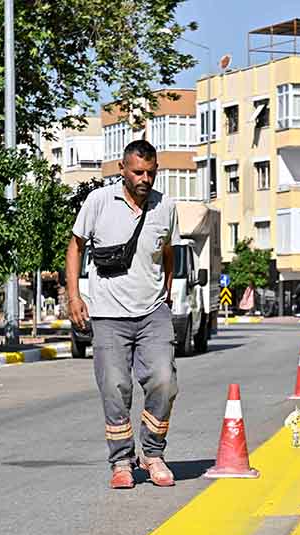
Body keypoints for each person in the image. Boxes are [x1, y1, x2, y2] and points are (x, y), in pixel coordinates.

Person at [66, 139, 179, 490]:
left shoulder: (166, 207)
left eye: (151, 172)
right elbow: (75, 247)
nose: (145, 178)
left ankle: (152, 453)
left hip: (152, 312)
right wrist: (74, 296)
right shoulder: (99, 201)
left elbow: (168, 251)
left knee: (164, 381)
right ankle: (121, 461)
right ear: (123, 170)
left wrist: (168, 290)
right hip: (108, 315)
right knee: (115, 386)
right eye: (138, 172)